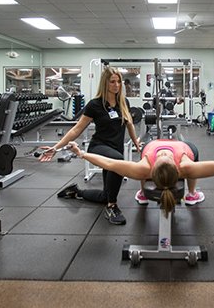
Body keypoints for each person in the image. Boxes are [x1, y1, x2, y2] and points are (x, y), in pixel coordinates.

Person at [39, 67, 141, 225]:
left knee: (106, 195)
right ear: (105, 83)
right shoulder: (94, 105)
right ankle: (112, 207)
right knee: (119, 162)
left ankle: (76, 192)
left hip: (115, 149)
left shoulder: (123, 102)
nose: (116, 85)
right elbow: (77, 129)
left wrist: (136, 143)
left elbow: (129, 124)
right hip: (99, 147)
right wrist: (56, 147)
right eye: (112, 81)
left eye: (119, 81)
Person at [66, 139, 214, 215]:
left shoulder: (145, 168)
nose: (164, 154)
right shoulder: (185, 166)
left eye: (163, 157)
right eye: (164, 157)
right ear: (175, 167)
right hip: (186, 149)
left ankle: (143, 193)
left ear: (153, 171)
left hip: (146, 160)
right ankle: (191, 194)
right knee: (194, 157)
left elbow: (109, 164)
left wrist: (81, 153)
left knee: (138, 167)